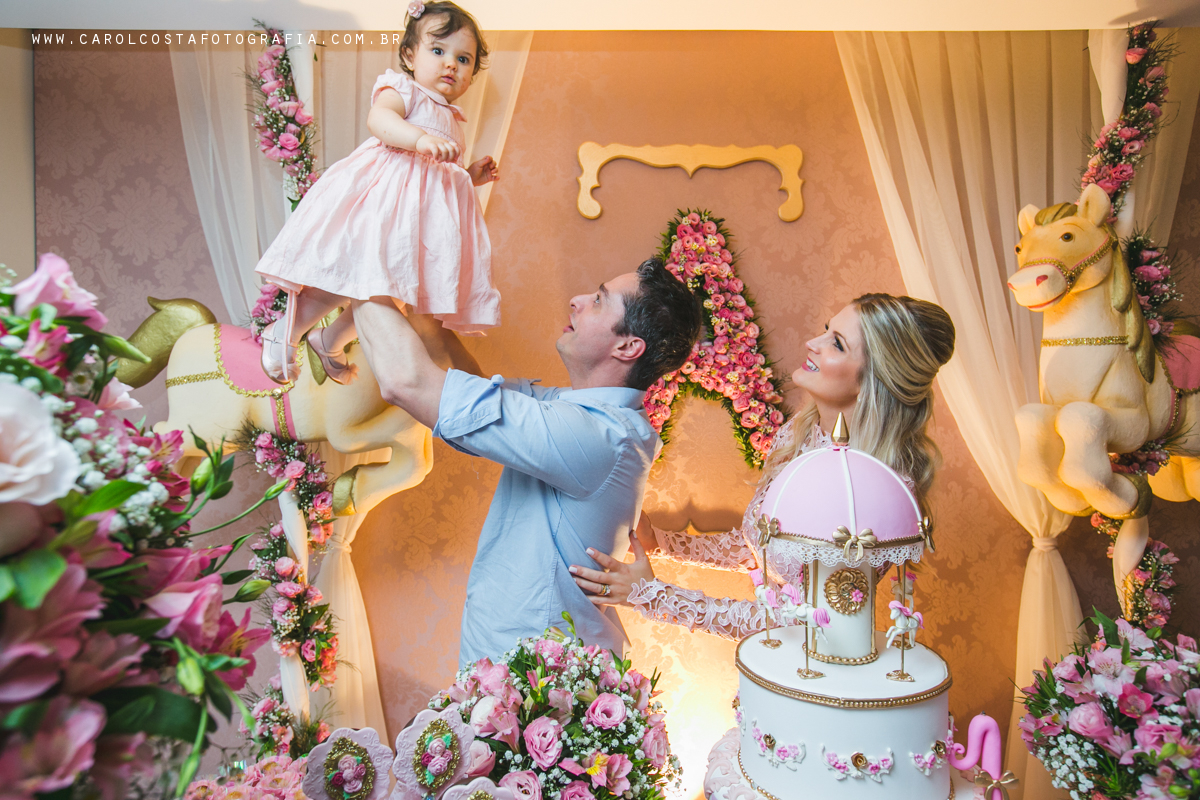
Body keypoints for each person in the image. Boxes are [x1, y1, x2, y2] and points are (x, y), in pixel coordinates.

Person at [349, 257, 703, 665]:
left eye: (599, 300)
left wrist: (361, 265)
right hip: (515, 667)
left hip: (531, 680)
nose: (577, 300)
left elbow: (406, 382)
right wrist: (428, 318)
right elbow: (477, 395)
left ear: (627, 347)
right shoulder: (583, 413)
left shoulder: (597, 436)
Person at [567, 293, 955, 639]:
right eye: (825, 330)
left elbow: (804, 622)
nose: (813, 343)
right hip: (774, 666)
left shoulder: (873, 487)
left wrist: (653, 596)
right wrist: (661, 542)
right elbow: (761, 547)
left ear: (877, 379)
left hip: (816, 675)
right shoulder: (801, 434)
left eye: (836, 343)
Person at [256, 1, 500, 386]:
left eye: (463, 59)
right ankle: (285, 329)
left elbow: (442, 177)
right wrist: (419, 139)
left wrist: (469, 176)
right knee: (352, 275)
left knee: (393, 294)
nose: (451, 64)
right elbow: (380, 120)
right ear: (410, 55)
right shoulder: (405, 90)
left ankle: (330, 340)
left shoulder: (453, 118)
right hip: (386, 206)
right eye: (438, 51)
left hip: (417, 227)